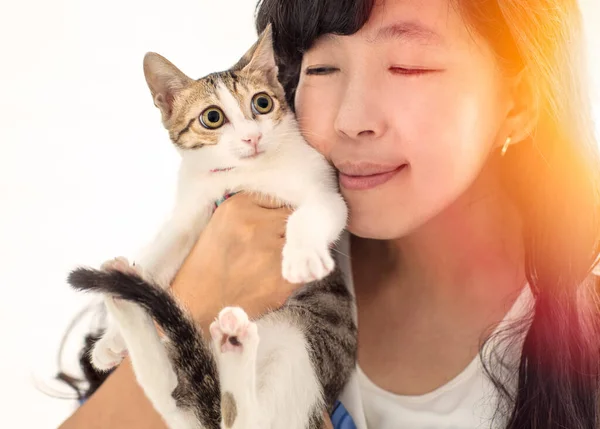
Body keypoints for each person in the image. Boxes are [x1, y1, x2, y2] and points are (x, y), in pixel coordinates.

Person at [59, 0, 600, 428]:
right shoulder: (247, 241)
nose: (351, 118)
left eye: (408, 66)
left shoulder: (586, 332)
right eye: (320, 67)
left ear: (521, 100)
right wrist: (196, 298)